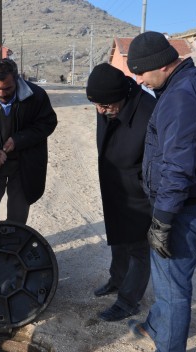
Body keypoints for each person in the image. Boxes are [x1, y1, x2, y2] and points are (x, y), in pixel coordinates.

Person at [121, 31, 196, 352]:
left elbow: (178, 168)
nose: (138, 80)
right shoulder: (190, 81)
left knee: (173, 282)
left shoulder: (181, 98)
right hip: (191, 201)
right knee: (167, 274)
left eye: (140, 72)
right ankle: (157, 325)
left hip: (185, 207)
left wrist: (164, 220)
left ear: (160, 65)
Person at [85, 63, 156, 322]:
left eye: (105, 106)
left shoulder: (148, 112)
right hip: (115, 183)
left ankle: (129, 301)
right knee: (118, 236)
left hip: (139, 192)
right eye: (96, 105)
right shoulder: (107, 104)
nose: (100, 112)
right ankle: (117, 279)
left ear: (122, 96)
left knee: (138, 246)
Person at [0, 58, 57, 226]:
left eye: (7, 88)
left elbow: (47, 123)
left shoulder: (36, 96)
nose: (1, 93)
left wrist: (18, 140)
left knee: (18, 212)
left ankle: (14, 248)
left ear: (17, 79)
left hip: (25, 162)